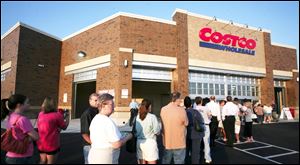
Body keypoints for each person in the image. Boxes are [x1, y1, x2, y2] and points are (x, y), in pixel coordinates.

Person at [88, 93, 133, 164]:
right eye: (111, 104)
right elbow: (116, 144)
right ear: (103, 105)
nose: (114, 106)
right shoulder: (107, 121)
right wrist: (128, 137)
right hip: (105, 158)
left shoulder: (95, 119)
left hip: (94, 156)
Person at [2, 94, 39, 164]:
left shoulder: (11, 116)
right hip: (22, 157)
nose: (29, 105)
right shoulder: (22, 119)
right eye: (27, 102)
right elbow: (36, 137)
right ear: (19, 105)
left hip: (10, 155)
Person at [37, 97, 70, 164]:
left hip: (41, 143)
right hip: (51, 144)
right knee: (50, 162)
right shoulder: (57, 115)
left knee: (42, 161)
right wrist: (67, 117)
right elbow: (64, 127)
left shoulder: (41, 114)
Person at [160, 92, 188, 164]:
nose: (181, 101)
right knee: (179, 161)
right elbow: (186, 123)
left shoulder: (163, 109)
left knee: (166, 161)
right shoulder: (181, 110)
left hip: (167, 142)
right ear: (177, 99)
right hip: (179, 142)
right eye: (180, 99)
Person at [135, 99, 161, 164]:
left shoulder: (137, 117)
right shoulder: (152, 117)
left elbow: (135, 132)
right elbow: (157, 132)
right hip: (150, 143)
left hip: (139, 143)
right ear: (149, 107)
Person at [80, 93, 99, 164]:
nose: (97, 102)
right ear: (90, 101)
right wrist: (93, 143)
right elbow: (84, 133)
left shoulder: (97, 112)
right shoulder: (87, 114)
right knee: (89, 162)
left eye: (98, 100)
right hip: (89, 144)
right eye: (95, 100)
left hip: (96, 143)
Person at [194, 96, 212, 164]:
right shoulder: (206, 108)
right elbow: (210, 116)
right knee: (206, 142)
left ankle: (196, 157)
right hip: (205, 125)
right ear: (201, 101)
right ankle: (207, 158)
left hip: (197, 126)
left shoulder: (194, 108)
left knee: (197, 142)